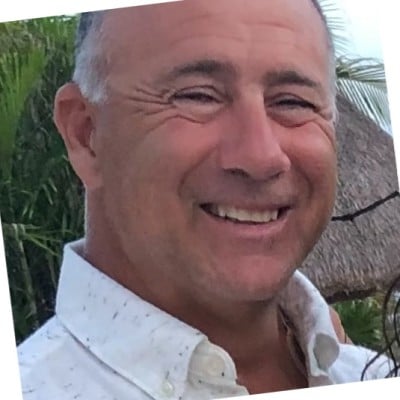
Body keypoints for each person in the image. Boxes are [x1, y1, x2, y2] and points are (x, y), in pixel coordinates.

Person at [17, 0, 392, 398]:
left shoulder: (373, 376)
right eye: (197, 96)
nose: (261, 156)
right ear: (86, 135)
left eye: (292, 102)